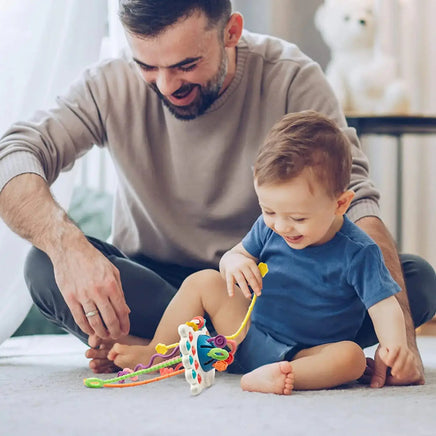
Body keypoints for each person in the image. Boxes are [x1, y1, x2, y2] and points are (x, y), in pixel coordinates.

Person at [0, 1, 434, 385]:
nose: (166, 85)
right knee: (44, 265)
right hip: (159, 288)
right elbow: (13, 156)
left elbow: (355, 197)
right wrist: (67, 247)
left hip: (272, 292)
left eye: (186, 64)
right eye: (147, 66)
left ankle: (175, 348)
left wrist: (403, 339)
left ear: (231, 32)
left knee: (413, 280)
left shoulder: (289, 77)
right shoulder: (108, 83)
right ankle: (206, 347)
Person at [108, 111, 415, 394]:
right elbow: (233, 255)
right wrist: (236, 261)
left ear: (340, 204)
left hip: (306, 353)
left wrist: (394, 347)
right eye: (269, 210)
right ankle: (156, 350)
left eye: (298, 218)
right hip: (247, 333)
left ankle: (282, 374)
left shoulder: (359, 252)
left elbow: (384, 307)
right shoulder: (269, 227)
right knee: (203, 281)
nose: (282, 226)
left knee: (351, 358)